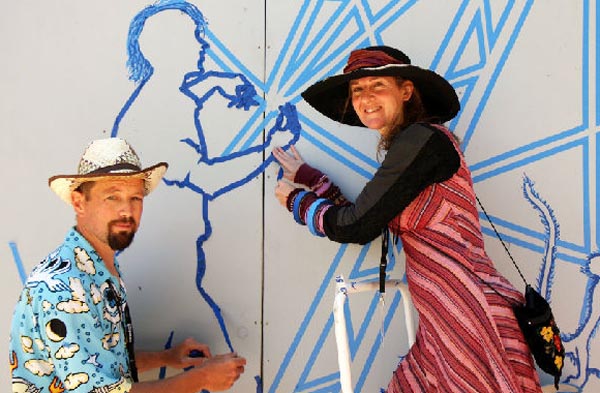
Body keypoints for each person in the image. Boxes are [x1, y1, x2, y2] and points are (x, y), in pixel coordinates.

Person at [272, 46, 542, 392]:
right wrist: (311, 179)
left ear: (406, 90)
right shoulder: (415, 146)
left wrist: (296, 200)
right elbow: (370, 215)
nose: (365, 98)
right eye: (357, 91)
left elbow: (356, 225)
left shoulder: (421, 141)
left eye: (377, 85)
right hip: (449, 320)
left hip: (470, 318)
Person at [9, 137, 246, 393]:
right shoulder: (62, 287)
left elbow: (99, 361)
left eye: (136, 198)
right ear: (79, 202)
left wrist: (166, 358)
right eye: (112, 197)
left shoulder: (98, 271)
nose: (126, 210)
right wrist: (200, 380)